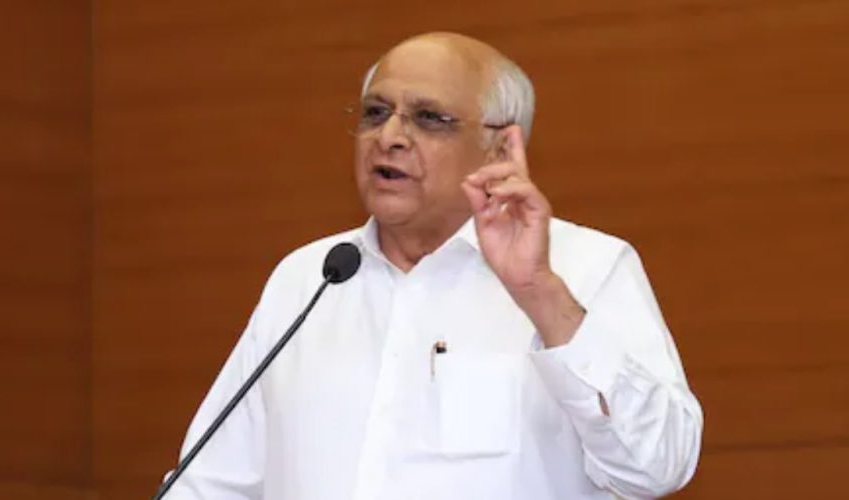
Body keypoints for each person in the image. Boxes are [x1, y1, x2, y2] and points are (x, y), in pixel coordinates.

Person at [165, 32, 703, 500]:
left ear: (500, 149)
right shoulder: (309, 278)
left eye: (429, 119)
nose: (390, 137)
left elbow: (657, 466)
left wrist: (540, 292)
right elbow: (210, 484)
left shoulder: (586, 266)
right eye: (375, 113)